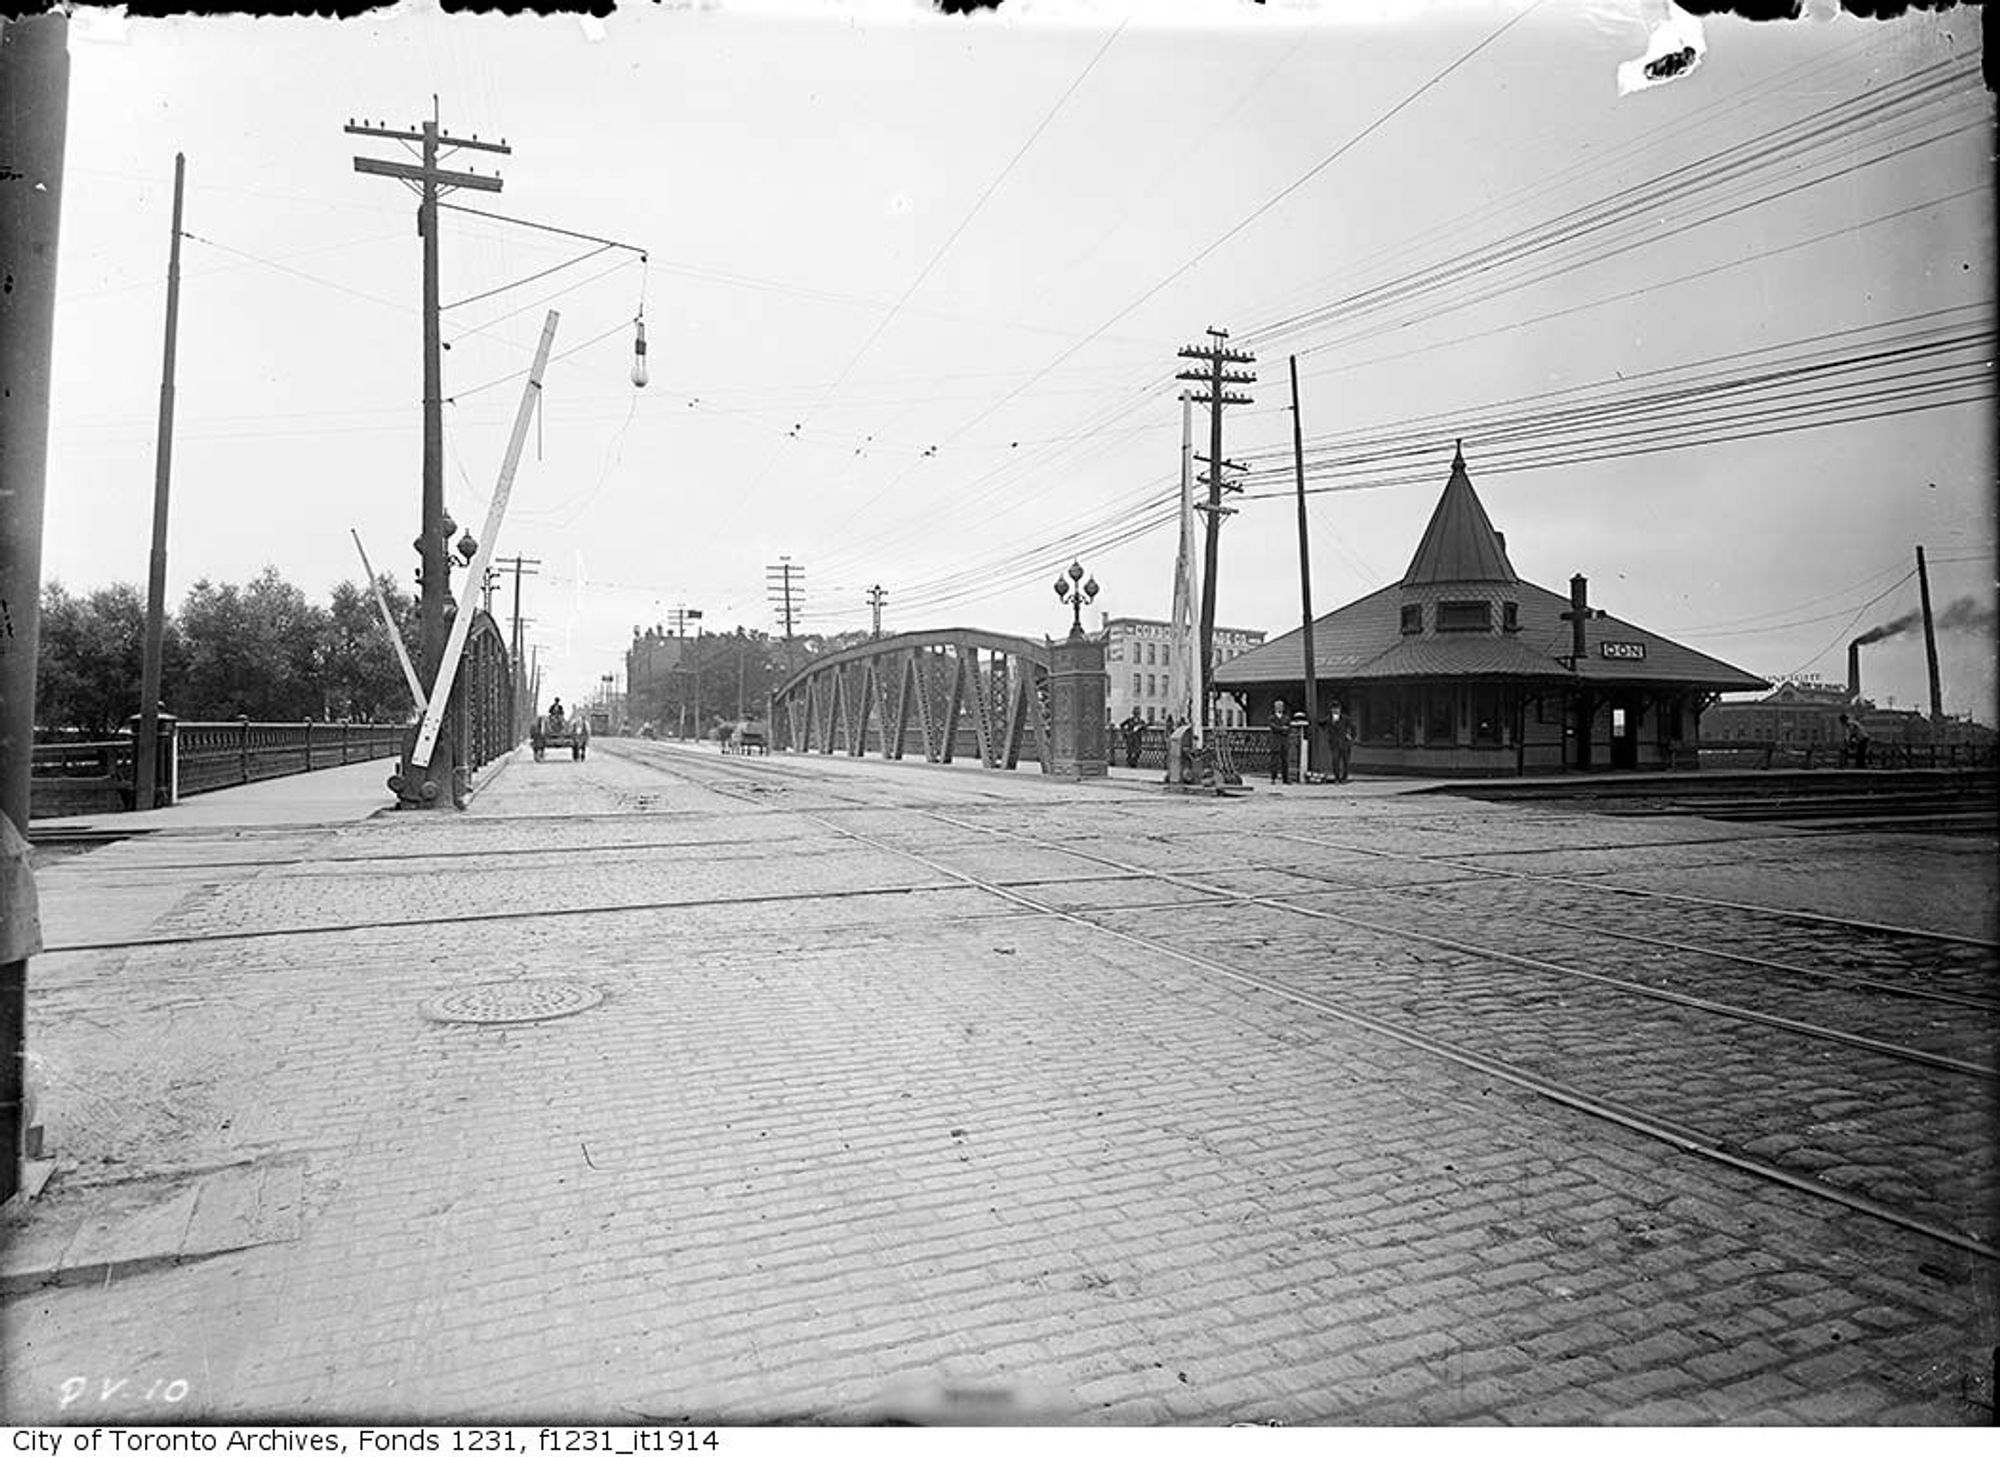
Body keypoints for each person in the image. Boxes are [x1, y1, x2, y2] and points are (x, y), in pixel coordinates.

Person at [1327, 702, 1356, 784]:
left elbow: (1353, 727)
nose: (1335, 710)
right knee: (1335, 761)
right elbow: (1322, 724)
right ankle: (1337, 778)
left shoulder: (1345, 718)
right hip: (1334, 743)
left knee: (1346, 761)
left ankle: (1344, 778)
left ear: (1340, 709)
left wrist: (1351, 737)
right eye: (1333, 709)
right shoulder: (1329, 719)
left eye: (1337, 708)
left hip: (1345, 743)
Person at [1268, 700, 1291, 784]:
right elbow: (1273, 727)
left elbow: (1288, 729)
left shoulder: (1287, 718)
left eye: (1281, 706)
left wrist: (1281, 729)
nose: (1280, 708)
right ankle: (1273, 778)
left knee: (1285, 761)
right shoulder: (1272, 718)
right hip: (1275, 742)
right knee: (1274, 761)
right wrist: (1282, 728)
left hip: (1284, 742)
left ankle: (1285, 778)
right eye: (1278, 706)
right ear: (1275, 708)